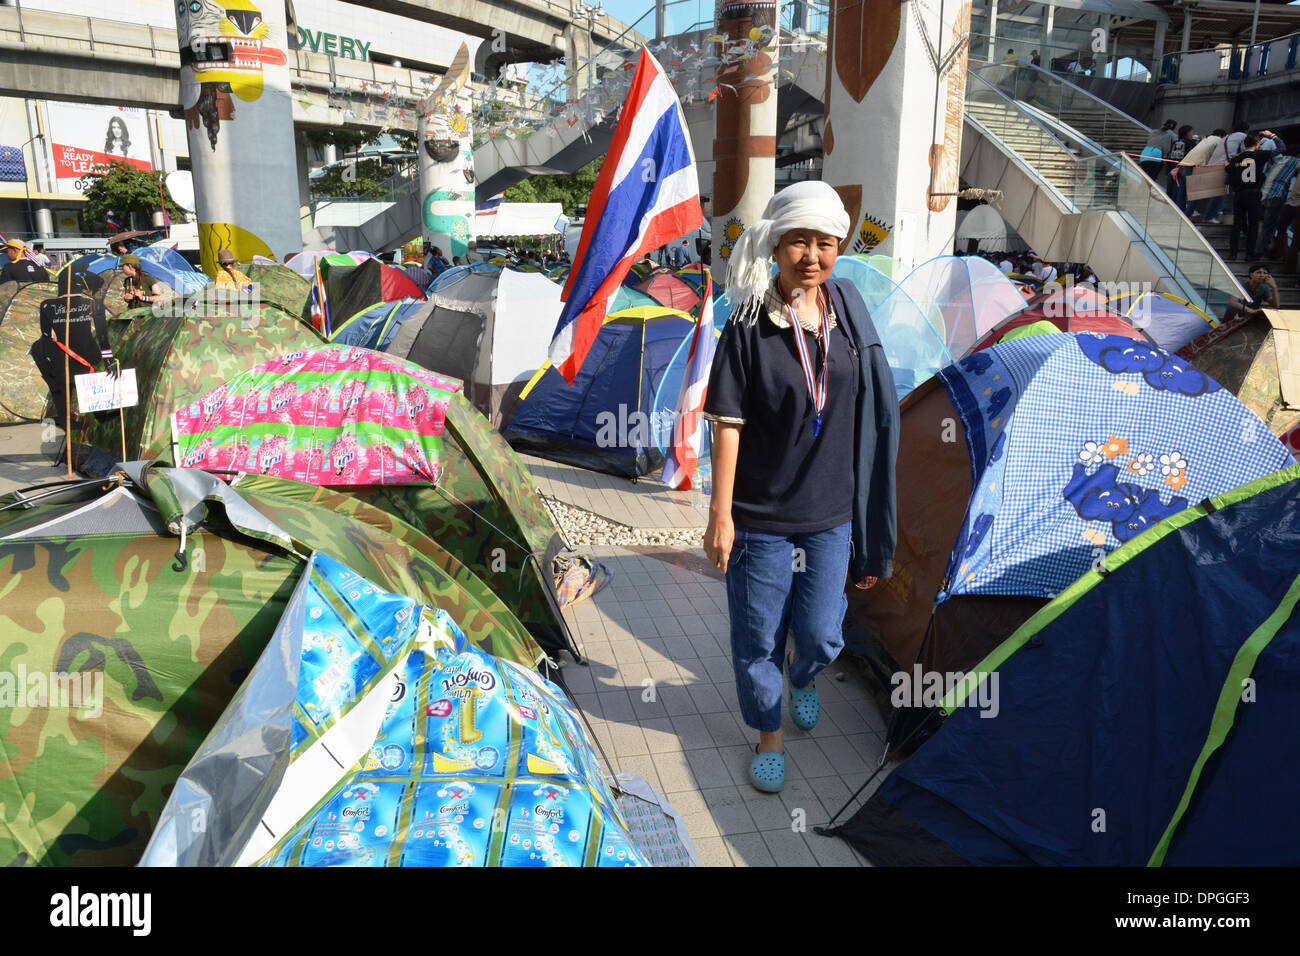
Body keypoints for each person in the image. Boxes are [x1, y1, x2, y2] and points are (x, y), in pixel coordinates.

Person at [702, 180, 898, 795]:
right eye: (798, 242)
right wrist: (720, 514)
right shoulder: (748, 320)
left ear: (837, 247)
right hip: (760, 514)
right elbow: (727, 422)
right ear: (776, 244)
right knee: (756, 636)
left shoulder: (848, 310)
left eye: (824, 243)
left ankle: (805, 673)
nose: (811, 255)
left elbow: (873, 405)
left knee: (821, 632)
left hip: (830, 513)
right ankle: (768, 734)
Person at [29, 269, 110, 424]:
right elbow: (103, 338)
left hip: (60, 359)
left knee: (63, 395)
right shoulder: (93, 304)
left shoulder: (46, 305)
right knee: (93, 398)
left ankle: (68, 425)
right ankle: (98, 422)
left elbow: (46, 337)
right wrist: (108, 361)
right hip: (87, 357)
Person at [1226, 134, 1268, 260]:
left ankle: (1233, 253)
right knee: (1253, 224)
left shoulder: (1237, 158)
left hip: (1239, 193)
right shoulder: (1260, 155)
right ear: (1256, 144)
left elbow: (1228, 169)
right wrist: (1274, 137)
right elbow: (1281, 150)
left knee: (1237, 224)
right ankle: (1250, 253)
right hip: (1253, 192)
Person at [1258, 147, 1300, 259]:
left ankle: (1261, 249)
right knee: (1269, 226)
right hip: (1277, 196)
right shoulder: (1296, 162)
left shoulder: (1280, 160)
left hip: (1264, 193)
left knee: (1266, 225)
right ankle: (1261, 251)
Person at [1166, 125, 1196, 211]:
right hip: (1184, 169)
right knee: (1181, 192)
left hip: (1172, 169)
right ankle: (1180, 211)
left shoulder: (1175, 142)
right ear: (1186, 134)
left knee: (1173, 191)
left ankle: (1171, 209)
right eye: (1191, 133)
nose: (1192, 135)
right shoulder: (1191, 144)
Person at [1141, 120, 1177, 184]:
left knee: (1144, 177)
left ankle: (1142, 190)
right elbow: (1167, 147)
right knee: (1152, 178)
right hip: (1156, 155)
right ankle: (1148, 192)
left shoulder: (1153, 132)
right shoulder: (1170, 134)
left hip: (1144, 154)